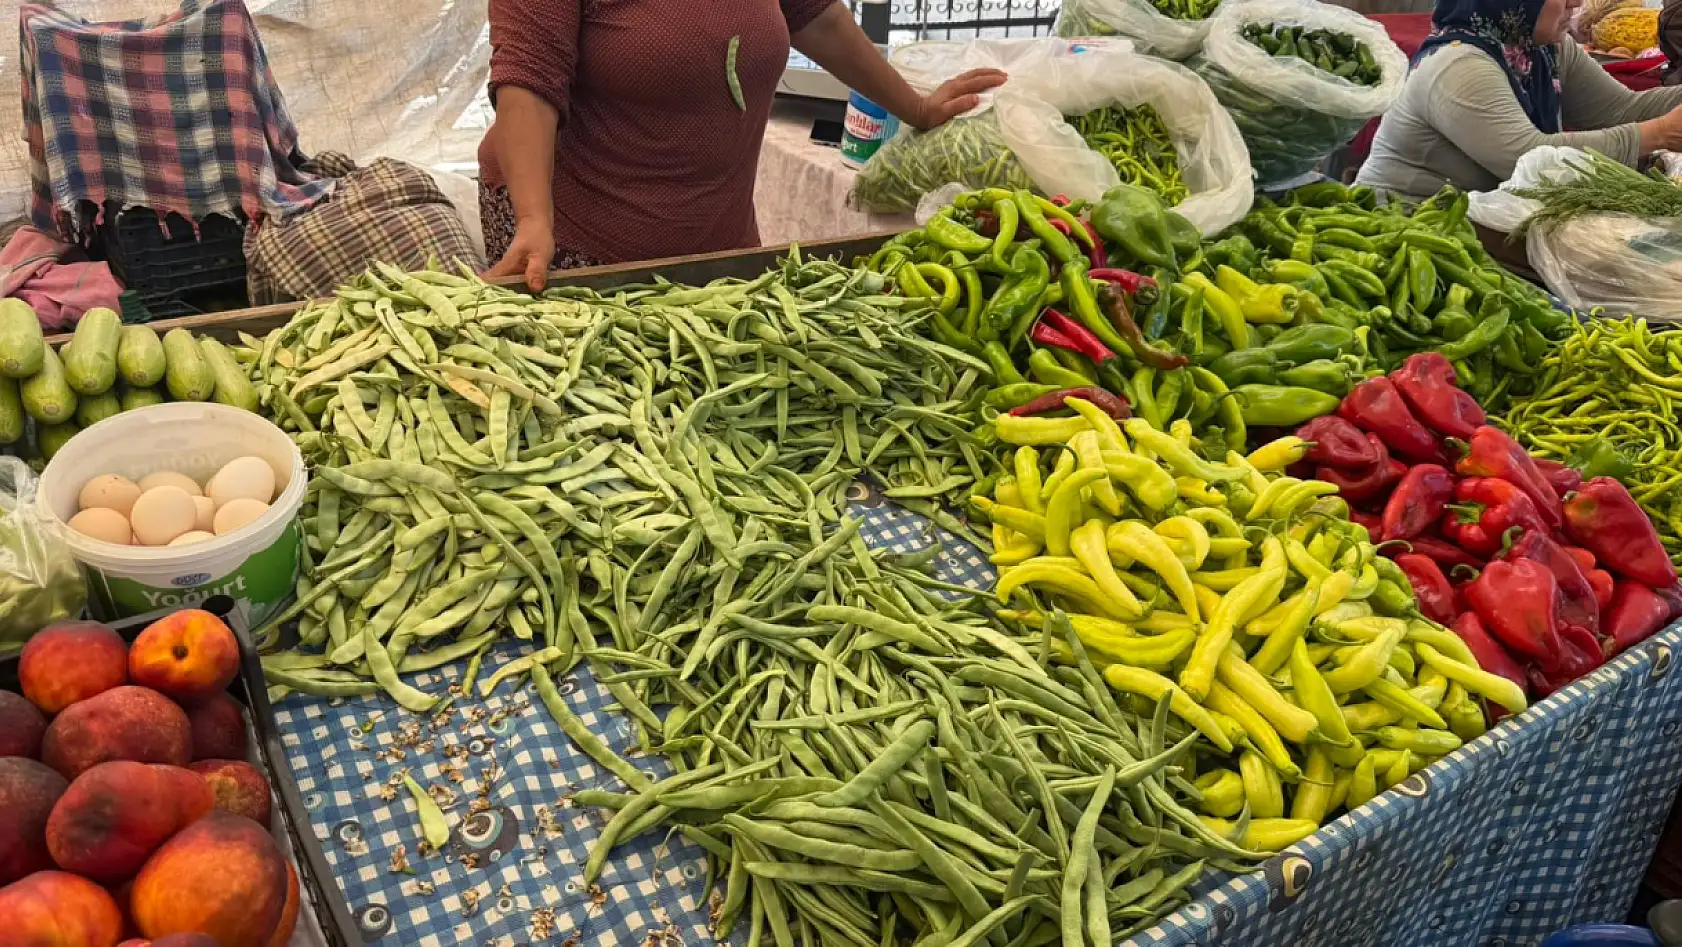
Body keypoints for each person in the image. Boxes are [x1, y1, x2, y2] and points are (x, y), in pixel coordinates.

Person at [482, 0, 1006, 289]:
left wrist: (914, 107)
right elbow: (527, 83)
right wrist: (533, 220)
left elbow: (818, 18)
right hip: (581, 236)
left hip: (717, 235)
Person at [1357, 0, 1682, 197]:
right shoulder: (1458, 63)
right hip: (1406, 231)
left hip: (1480, 226)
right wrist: (1658, 134)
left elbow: (1622, 110)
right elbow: (1525, 158)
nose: (1575, 3)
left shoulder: (1544, 49)